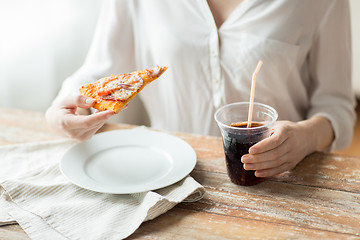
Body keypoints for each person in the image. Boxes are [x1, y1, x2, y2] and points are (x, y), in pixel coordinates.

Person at [46, 0, 356, 178]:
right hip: (167, 178)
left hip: (279, 183)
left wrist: (306, 137)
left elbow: (336, 105)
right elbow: (99, 72)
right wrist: (63, 107)